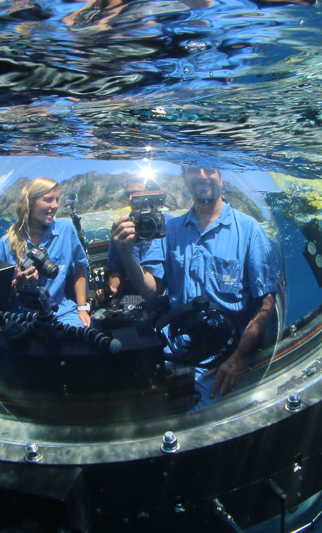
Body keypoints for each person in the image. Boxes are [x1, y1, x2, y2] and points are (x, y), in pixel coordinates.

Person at [112, 166, 278, 405]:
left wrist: (238, 355)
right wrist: (126, 254)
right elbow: (152, 291)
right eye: (193, 170)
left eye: (209, 169)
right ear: (184, 178)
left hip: (223, 354)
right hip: (175, 347)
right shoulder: (170, 230)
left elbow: (266, 301)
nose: (202, 175)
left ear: (221, 177)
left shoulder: (250, 230)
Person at [0, 177, 91, 328]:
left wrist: (82, 308)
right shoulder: (5, 244)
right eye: (48, 200)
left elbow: (79, 270)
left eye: (57, 200)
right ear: (30, 203)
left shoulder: (66, 229)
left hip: (61, 313)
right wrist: (18, 284)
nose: (55, 205)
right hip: (21, 318)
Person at [99, 179, 164, 303]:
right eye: (127, 194)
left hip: (161, 298)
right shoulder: (121, 229)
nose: (130, 198)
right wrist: (112, 287)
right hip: (128, 297)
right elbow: (115, 271)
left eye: (136, 194)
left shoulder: (169, 226)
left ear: (151, 195)